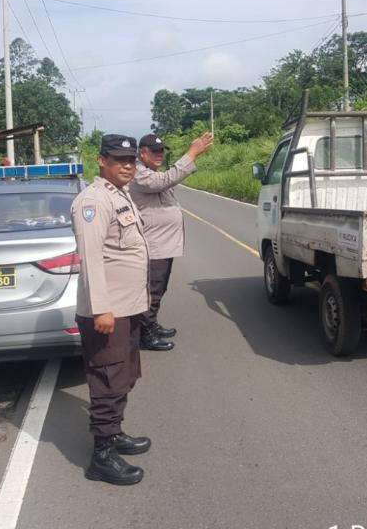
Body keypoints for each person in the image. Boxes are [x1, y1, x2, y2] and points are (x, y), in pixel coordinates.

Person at [71, 134, 152, 486]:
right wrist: (101, 309)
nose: (128, 165)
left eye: (132, 160)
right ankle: (102, 455)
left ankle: (114, 433)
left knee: (125, 374)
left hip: (126, 307)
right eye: (119, 159)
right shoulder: (92, 201)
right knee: (108, 378)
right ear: (101, 160)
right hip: (108, 313)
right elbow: (91, 260)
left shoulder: (119, 195)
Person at [128, 132, 213, 351]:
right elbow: (165, 181)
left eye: (161, 151)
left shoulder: (151, 172)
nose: (159, 155)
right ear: (142, 153)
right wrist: (192, 153)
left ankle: (151, 325)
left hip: (162, 245)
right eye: (154, 151)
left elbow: (166, 181)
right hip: (152, 247)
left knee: (159, 288)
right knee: (152, 291)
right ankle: (145, 334)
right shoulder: (139, 174)